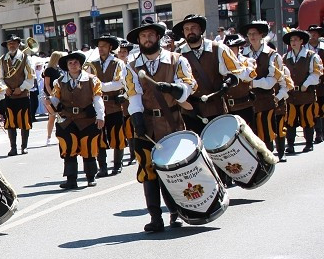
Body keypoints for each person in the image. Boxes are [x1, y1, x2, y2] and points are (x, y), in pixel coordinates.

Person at [124, 21, 198, 233]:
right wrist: (137, 117)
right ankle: (155, 217)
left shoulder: (177, 60)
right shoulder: (131, 66)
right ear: (138, 41)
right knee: (148, 171)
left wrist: (176, 89)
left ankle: (176, 210)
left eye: (150, 35)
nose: (147, 39)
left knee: (174, 169)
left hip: (171, 122)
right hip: (146, 122)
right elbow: (133, 94)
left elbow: (190, 86)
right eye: (143, 36)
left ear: (158, 37)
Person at [170, 14, 252, 137]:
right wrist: (185, 105)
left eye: (193, 27)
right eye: (186, 29)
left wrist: (229, 82)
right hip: (191, 112)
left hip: (216, 108)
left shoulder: (219, 48)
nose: (190, 31)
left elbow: (239, 72)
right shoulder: (177, 54)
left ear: (201, 30)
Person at [49, 51, 105, 189]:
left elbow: (98, 99)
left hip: (87, 119)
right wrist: (49, 102)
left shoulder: (92, 80)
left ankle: (91, 177)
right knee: (68, 148)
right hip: (67, 120)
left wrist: (100, 116)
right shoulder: (59, 82)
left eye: (75, 62)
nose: (73, 65)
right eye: (70, 63)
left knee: (89, 147)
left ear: (80, 65)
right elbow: (55, 99)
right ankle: (71, 179)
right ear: (67, 66)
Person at [232, 21, 285, 159]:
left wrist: (251, 83)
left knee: (266, 132)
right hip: (247, 102)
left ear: (262, 35)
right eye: (249, 34)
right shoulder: (243, 54)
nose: (252, 36)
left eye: (254, 33)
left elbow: (270, 82)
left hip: (266, 101)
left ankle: (269, 159)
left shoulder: (273, 55)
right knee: (250, 133)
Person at [88, 36, 129, 176]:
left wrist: (100, 86)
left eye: (104, 46)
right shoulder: (92, 64)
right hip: (98, 105)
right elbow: (88, 82)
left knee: (117, 135)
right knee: (99, 137)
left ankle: (117, 165)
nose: (101, 49)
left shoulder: (118, 63)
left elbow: (119, 83)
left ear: (110, 48)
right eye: (99, 46)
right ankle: (103, 167)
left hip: (114, 105)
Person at [281, 28, 320, 154]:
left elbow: (316, 73)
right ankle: (290, 145)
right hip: (291, 95)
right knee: (290, 120)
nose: (293, 42)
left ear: (301, 41)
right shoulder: (285, 57)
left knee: (307, 119)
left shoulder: (311, 55)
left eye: (296, 40)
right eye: (291, 40)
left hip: (306, 94)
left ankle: (309, 143)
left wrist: (306, 84)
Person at [0, 35, 36, 156]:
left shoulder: (26, 58)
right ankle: (13, 147)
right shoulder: (2, 60)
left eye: (14, 43)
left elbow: (30, 76)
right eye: (9, 44)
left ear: (19, 44)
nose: (11, 45)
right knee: (10, 123)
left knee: (24, 122)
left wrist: (22, 88)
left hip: (22, 95)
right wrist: (5, 88)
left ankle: (24, 147)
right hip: (8, 96)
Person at [308, 25, 324, 143]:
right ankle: (318, 133)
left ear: (318, 35)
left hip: (323, 84)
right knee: (314, 109)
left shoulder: (323, 48)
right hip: (310, 85)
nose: (312, 35)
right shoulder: (305, 50)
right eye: (311, 33)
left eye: (315, 33)